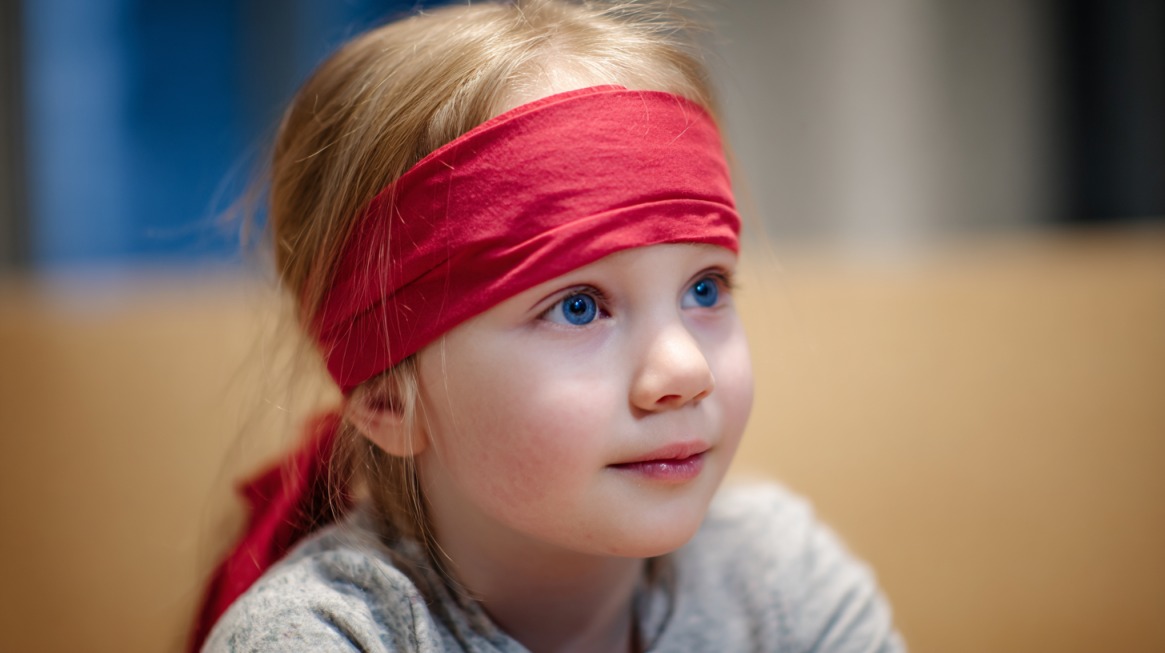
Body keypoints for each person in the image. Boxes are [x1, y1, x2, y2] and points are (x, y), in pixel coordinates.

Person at [195, 1, 905, 651]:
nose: (686, 370)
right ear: (388, 398)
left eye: (704, 288)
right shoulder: (317, 637)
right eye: (578, 305)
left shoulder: (779, 578)